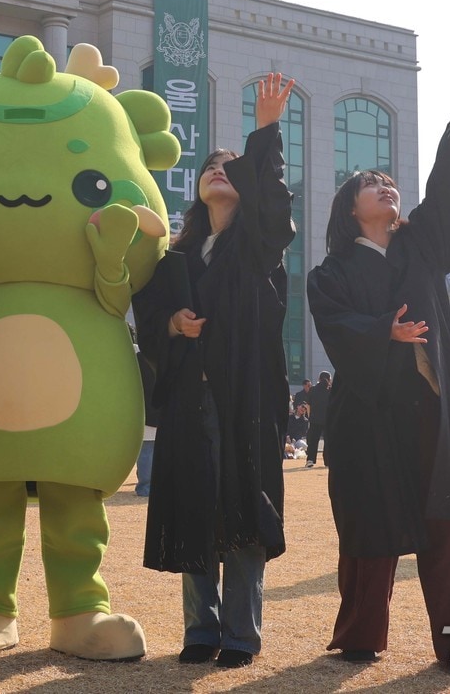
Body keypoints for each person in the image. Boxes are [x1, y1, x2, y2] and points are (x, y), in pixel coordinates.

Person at [307, 85, 450, 675]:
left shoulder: (422, 246)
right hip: (367, 410)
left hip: (431, 407)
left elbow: (448, 197)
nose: (387, 188)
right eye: (373, 185)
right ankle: (360, 633)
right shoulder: (331, 272)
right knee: (369, 521)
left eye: (391, 184)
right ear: (350, 208)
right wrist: (381, 334)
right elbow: (334, 324)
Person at [135, 72, 296, 670]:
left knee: (243, 508)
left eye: (230, 166)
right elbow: (147, 320)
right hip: (188, 402)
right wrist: (173, 324)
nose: (217, 170)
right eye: (209, 167)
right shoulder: (176, 257)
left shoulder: (257, 249)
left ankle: (241, 633)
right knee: (194, 504)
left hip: (244, 397)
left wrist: (265, 130)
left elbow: (275, 209)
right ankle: (200, 629)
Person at [133, 327, 158, 497]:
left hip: (144, 410)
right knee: (149, 450)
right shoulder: (164, 355)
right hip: (155, 409)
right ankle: (145, 486)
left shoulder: (135, 356)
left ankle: (146, 485)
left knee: (147, 450)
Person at [305, 372, 331, 468]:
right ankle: (328, 462)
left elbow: (308, 405)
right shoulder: (331, 390)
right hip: (328, 419)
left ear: (319, 379)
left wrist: (310, 417)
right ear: (329, 379)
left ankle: (311, 460)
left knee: (313, 440)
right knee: (328, 441)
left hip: (315, 419)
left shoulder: (313, 389)